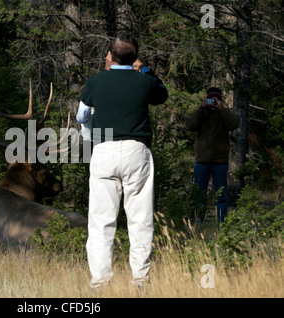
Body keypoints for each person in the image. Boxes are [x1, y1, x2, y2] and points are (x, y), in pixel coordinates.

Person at [76, 32, 168, 288]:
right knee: (140, 221)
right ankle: (140, 279)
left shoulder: (96, 82)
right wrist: (145, 69)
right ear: (135, 57)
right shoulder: (143, 81)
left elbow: (81, 116)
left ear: (110, 55)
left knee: (101, 221)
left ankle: (100, 282)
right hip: (136, 151)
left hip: (104, 151)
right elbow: (162, 95)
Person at [185, 87, 239, 226]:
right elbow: (190, 126)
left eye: (216, 100)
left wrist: (222, 109)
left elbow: (234, 125)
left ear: (220, 100)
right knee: (199, 193)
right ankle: (198, 222)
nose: (213, 102)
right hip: (202, 160)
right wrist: (201, 109)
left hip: (219, 161)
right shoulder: (202, 113)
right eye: (211, 100)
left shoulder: (224, 114)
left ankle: (222, 224)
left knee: (221, 194)